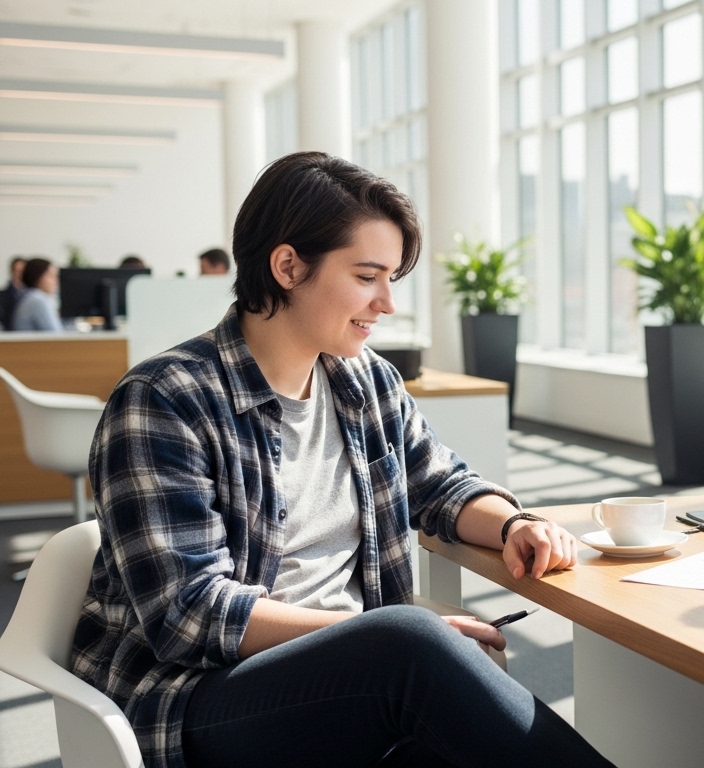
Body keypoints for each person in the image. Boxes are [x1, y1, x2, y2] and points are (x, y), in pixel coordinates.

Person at [72, 152, 611, 768]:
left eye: (391, 279)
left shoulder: (366, 381)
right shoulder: (165, 399)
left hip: (348, 681)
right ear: (287, 267)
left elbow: (441, 484)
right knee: (411, 646)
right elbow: (188, 614)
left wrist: (514, 524)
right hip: (199, 695)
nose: (387, 303)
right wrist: (374, 637)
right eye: (366, 276)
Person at [10, 257, 62, 332]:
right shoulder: (38, 300)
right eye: (51, 276)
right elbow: (56, 334)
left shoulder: (30, 297)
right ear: (38, 277)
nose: (56, 281)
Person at [0, 255, 25, 329]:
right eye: (18, 271)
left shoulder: (32, 295)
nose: (21, 275)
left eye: (23, 271)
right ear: (12, 272)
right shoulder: (2, 296)